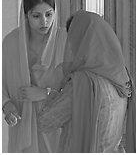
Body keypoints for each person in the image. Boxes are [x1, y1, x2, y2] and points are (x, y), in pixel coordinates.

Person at [38, 10, 136, 153]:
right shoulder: (122, 77)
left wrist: (50, 93)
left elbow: (45, 122)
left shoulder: (83, 83)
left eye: (73, 40)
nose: (71, 47)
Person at [2, 0, 67, 152]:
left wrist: (45, 93)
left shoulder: (66, 41)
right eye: (36, 16)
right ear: (26, 16)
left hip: (58, 126)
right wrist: (7, 105)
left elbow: (79, 86)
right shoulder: (10, 43)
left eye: (49, 14)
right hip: (22, 124)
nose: (44, 21)